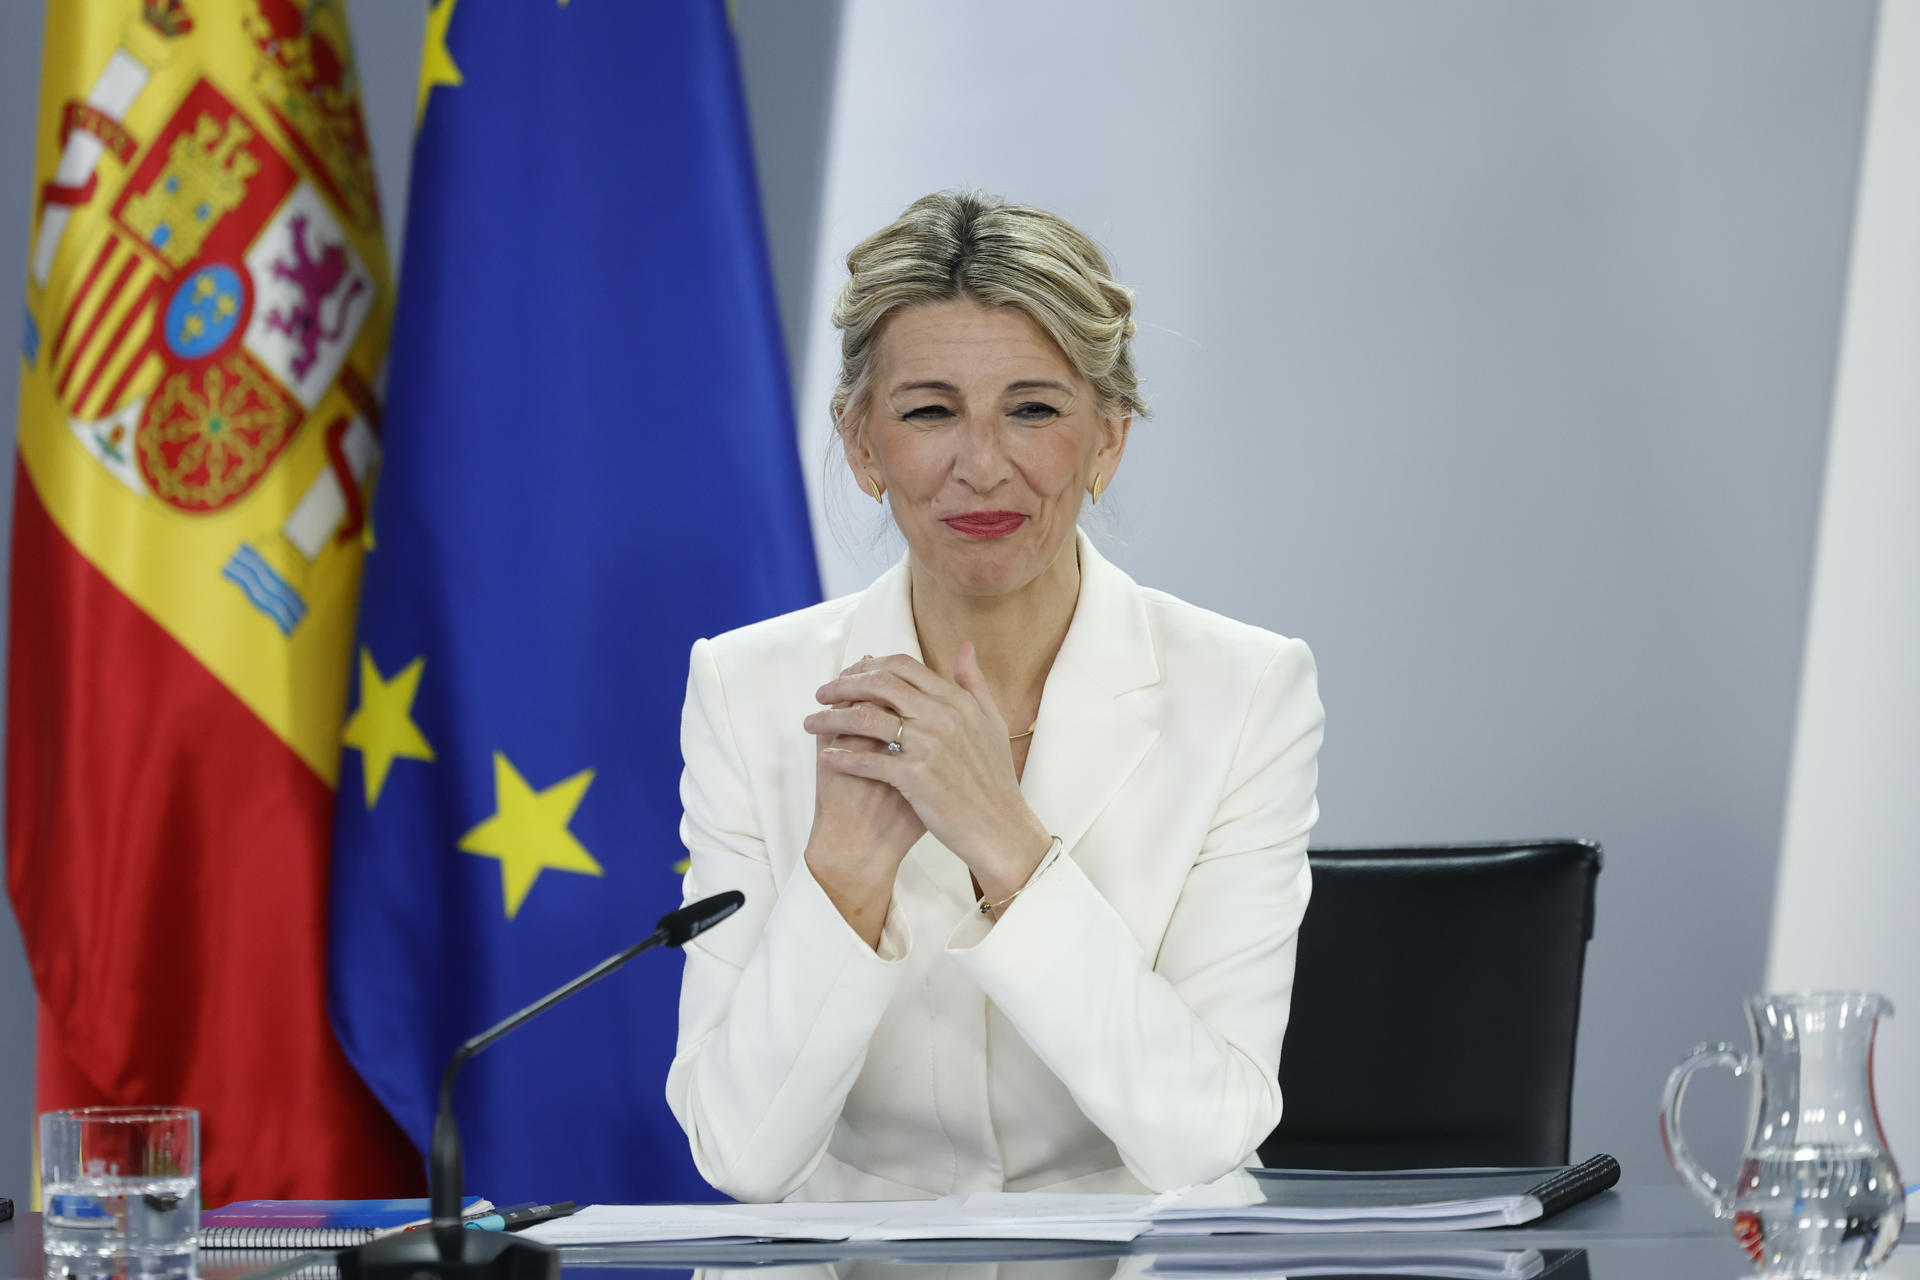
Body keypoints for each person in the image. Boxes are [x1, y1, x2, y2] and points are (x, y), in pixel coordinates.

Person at [666, 192, 1324, 1203]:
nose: (981, 466)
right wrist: (843, 874)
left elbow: (1205, 1135)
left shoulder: (1247, 690)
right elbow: (742, 1155)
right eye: (930, 410)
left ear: (1107, 439)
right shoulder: (747, 690)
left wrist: (1006, 840)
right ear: (861, 442)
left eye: (1033, 409)